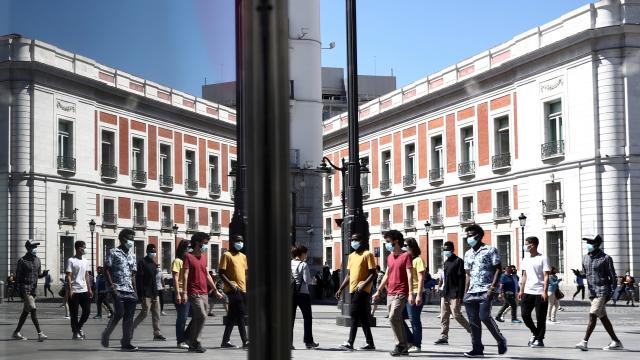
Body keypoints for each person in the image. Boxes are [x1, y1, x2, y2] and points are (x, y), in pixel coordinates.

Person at [462, 224, 507, 358]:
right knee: (473, 321)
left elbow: (499, 268)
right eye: (467, 235)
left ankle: (500, 340)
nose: (468, 238)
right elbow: (468, 275)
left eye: (471, 235)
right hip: (471, 291)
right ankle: (477, 348)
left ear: (479, 236)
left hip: (486, 289)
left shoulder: (490, 250)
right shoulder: (468, 253)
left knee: (484, 317)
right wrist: (465, 293)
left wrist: (493, 287)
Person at [575, 234, 624, 351]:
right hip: (592, 292)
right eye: (587, 243)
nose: (588, 245)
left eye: (591, 243)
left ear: (597, 244)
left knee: (592, 314)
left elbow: (613, 276)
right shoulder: (585, 257)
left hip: (603, 291)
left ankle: (584, 341)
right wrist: (578, 274)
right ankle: (616, 341)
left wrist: (612, 292)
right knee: (603, 318)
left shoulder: (606, 258)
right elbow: (585, 274)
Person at [373, 230, 414, 356]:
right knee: (397, 319)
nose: (387, 244)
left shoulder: (406, 256)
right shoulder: (390, 257)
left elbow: (409, 274)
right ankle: (405, 345)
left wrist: (411, 293)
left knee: (393, 317)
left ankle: (400, 344)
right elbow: (386, 274)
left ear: (396, 241)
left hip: (401, 292)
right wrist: (378, 291)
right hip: (390, 292)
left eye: (388, 242)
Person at [181, 232, 223, 353]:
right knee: (202, 315)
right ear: (198, 243)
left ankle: (189, 340)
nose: (206, 246)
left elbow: (207, 275)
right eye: (205, 243)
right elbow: (185, 274)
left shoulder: (203, 258)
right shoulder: (188, 257)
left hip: (204, 292)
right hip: (193, 292)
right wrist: (184, 292)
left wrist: (215, 290)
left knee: (199, 318)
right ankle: (196, 342)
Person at [336, 233, 377, 351]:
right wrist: (341, 288)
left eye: (356, 240)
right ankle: (370, 343)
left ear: (361, 241)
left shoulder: (367, 254)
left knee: (353, 314)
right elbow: (349, 275)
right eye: (352, 240)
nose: (353, 242)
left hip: (363, 290)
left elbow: (373, 273)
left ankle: (350, 342)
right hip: (353, 289)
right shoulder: (352, 256)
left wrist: (364, 283)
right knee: (363, 317)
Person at [101, 229, 139, 352]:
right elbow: (106, 269)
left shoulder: (132, 255)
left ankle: (126, 342)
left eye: (133, 239)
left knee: (129, 318)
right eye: (129, 238)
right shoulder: (113, 252)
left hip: (130, 290)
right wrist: (111, 285)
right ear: (122, 239)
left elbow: (133, 274)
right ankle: (107, 333)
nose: (131, 241)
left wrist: (135, 291)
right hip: (117, 289)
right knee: (119, 314)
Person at [434, 240, 471, 345]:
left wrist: (460, 295)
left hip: (455, 293)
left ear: (452, 249)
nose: (446, 251)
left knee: (456, 314)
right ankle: (443, 337)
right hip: (445, 293)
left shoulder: (458, 261)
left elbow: (461, 279)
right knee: (444, 316)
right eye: (444, 249)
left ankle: (472, 331)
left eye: (447, 249)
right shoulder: (446, 262)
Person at [12, 240, 48, 341]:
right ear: (28, 248)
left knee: (26, 311)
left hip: (33, 290)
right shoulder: (22, 261)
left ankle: (16, 332)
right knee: (33, 309)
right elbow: (18, 278)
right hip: (25, 290)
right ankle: (40, 333)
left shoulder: (38, 260)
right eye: (33, 247)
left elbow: (38, 275)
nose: (35, 249)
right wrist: (19, 291)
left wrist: (44, 274)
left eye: (36, 247)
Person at [518, 236, 550, 348]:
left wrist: (545, 291)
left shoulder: (543, 258)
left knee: (541, 318)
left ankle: (539, 341)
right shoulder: (525, 259)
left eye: (526, 244)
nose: (525, 246)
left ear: (532, 245)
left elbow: (546, 276)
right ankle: (536, 334)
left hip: (540, 292)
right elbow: (524, 275)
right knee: (524, 315)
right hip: (527, 291)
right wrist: (521, 290)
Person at [219, 234, 249, 348]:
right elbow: (221, 273)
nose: (240, 243)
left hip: (242, 289)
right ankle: (245, 341)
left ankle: (225, 341)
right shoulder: (226, 255)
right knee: (241, 313)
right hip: (232, 290)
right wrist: (230, 284)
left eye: (241, 241)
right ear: (232, 242)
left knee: (232, 316)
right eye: (237, 241)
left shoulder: (243, 256)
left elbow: (245, 273)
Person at [133, 243, 166, 341]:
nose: (153, 253)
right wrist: (140, 294)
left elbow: (155, 279)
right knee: (145, 313)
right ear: (147, 251)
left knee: (157, 313)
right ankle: (130, 329)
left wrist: (157, 291)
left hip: (155, 292)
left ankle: (157, 333)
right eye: (152, 251)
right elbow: (139, 279)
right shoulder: (142, 262)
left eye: (154, 251)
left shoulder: (154, 263)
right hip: (146, 292)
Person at [291, 245, 319, 349]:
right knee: (307, 318)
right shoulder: (303, 265)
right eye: (305, 253)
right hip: (303, 294)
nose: (306, 255)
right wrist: (313, 281)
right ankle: (308, 341)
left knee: (290, 319)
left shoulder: (288, 263)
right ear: (301, 254)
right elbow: (307, 280)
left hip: (290, 294)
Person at [66, 240, 93, 340]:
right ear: (78, 248)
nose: (84, 249)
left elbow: (87, 275)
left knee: (87, 311)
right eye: (83, 247)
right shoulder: (71, 260)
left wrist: (89, 288)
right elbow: (68, 276)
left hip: (84, 290)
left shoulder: (86, 261)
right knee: (74, 314)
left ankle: (78, 328)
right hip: (74, 291)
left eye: (85, 247)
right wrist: (70, 289)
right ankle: (75, 333)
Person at [403, 237, 425, 353]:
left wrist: (419, 295)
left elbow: (421, 278)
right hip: (407, 293)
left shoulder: (418, 260)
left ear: (412, 247)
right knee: (397, 317)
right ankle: (411, 340)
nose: (403, 248)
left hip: (416, 292)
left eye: (405, 245)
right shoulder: (406, 260)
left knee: (414, 320)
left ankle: (417, 344)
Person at [172, 240, 191, 349]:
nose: (189, 249)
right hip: (179, 291)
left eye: (190, 247)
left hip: (187, 292)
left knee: (199, 315)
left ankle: (185, 336)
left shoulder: (187, 261)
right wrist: (178, 294)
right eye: (187, 247)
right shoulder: (177, 261)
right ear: (182, 248)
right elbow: (175, 277)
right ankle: (180, 341)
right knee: (182, 318)